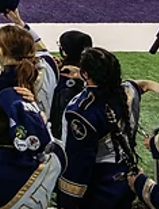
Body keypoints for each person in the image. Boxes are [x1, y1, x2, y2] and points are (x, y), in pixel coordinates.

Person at [56, 47, 157, 208]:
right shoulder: (127, 91)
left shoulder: (80, 112)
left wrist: (68, 200)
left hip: (98, 185)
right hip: (127, 175)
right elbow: (144, 84)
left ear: (86, 74)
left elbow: (79, 163)